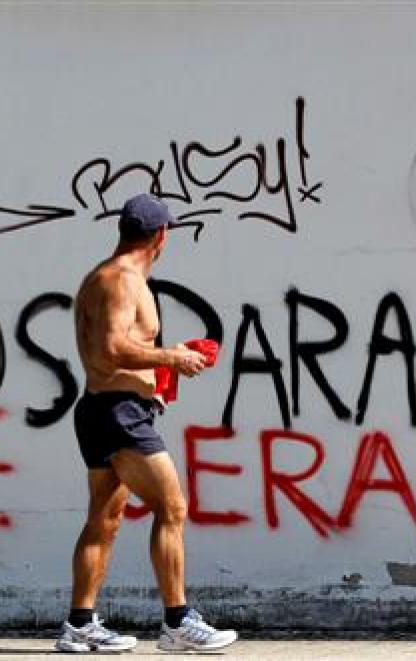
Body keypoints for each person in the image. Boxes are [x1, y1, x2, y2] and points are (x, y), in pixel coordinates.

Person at [55, 193, 238, 653]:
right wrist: (171, 357)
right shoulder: (121, 280)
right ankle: (177, 623)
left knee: (105, 517)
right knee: (172, 507)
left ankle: (80, 625)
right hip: (119, 415)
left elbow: (105, 352)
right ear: (161, 236)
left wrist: (155, 377)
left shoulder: (105, 275)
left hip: (102, 408)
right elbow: (115, 347)